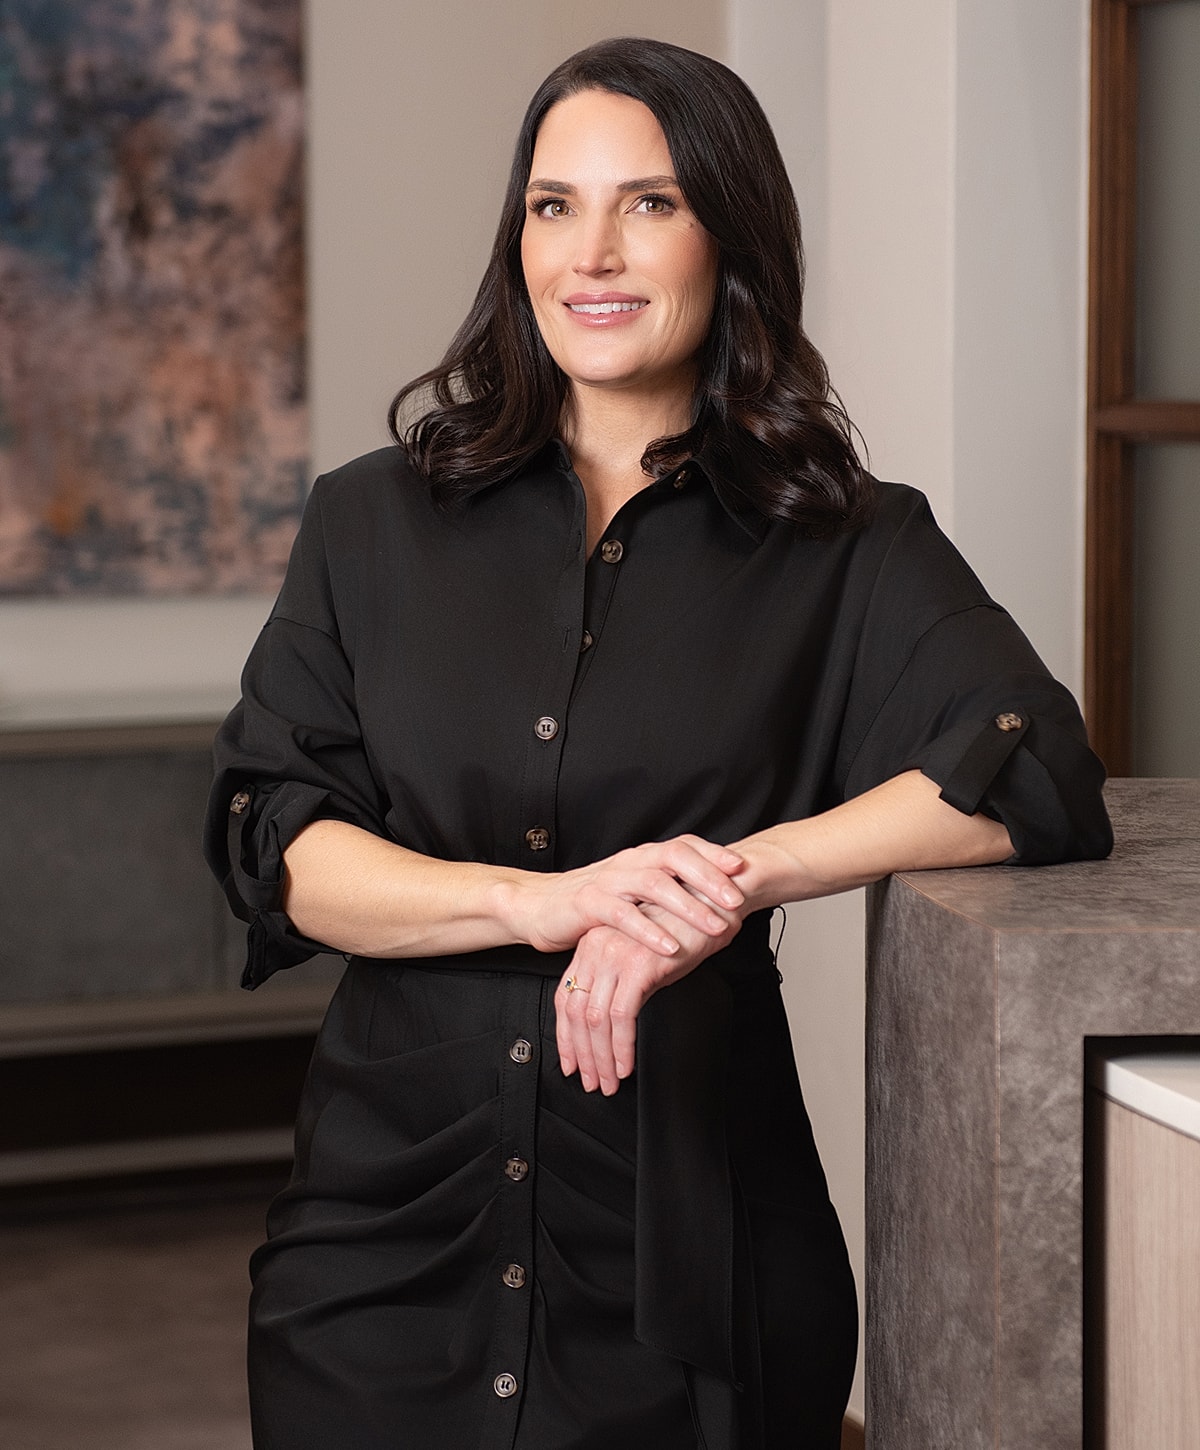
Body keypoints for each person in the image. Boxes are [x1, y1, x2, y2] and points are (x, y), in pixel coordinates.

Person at [204, 36, 1112, 1450]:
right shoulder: (371, 520)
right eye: (554, 206)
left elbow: (1033, 766)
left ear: (728, 233)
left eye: (651, 202)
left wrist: (729, 878)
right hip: (383, 1246)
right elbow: (281, 844)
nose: (593, 254)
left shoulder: (847, 541)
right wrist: (546, 901)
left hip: (697, 1245)